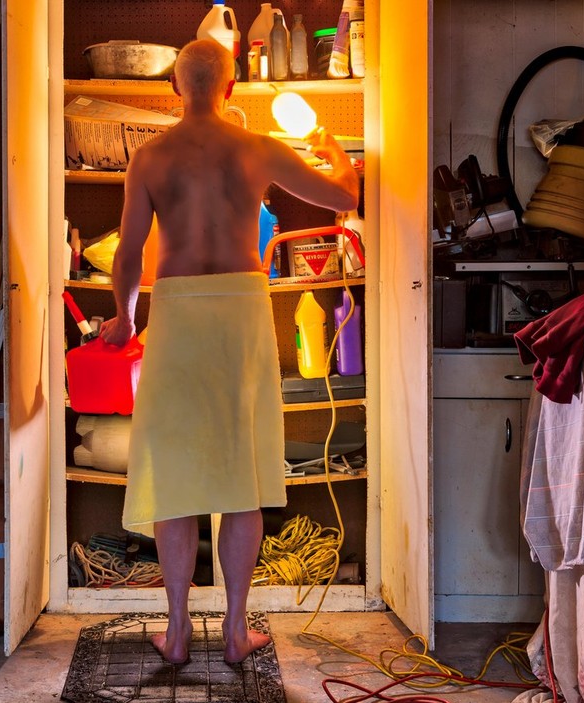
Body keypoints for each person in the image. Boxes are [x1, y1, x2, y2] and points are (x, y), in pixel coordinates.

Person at [99, 38, 359, 666]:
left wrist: (125, 319)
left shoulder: (149, 157)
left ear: (174, 90)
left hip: (179, 312)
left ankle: (181, 629)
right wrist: (332, 153)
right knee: (241, 473)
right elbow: (345, 198)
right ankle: (237, 631)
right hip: (241, 311)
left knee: (176, 476)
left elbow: (130, 254)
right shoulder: (258, 147)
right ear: (232, 86)